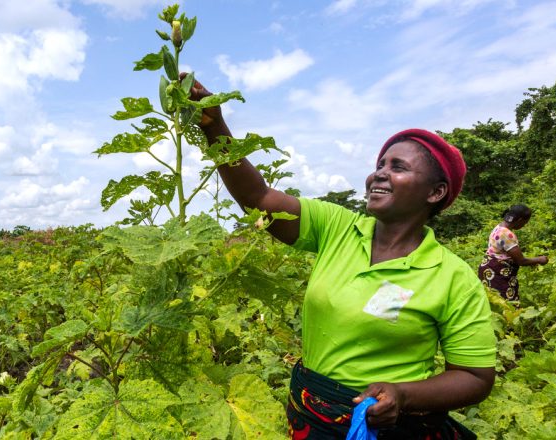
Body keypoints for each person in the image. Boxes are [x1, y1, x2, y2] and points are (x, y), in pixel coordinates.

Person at [188, 77, 496, 438]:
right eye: (380, 164)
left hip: (387, 426)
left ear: (436, 192)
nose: (379, 173)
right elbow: (258, 197)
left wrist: (402, 394)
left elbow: (475, 378)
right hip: (311, 414)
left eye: (398, 167)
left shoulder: (451, 275)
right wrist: (214, 126)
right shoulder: (337, 227)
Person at [478, 205, 547, 302]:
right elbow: (521, 261)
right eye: (525, 222)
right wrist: (540, 259)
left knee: (493, 303)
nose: (524, 225)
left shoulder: (499, 227)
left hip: (488, 269)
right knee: (507, 305)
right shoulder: (506, 234)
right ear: (520, 220)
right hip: (497, 273)